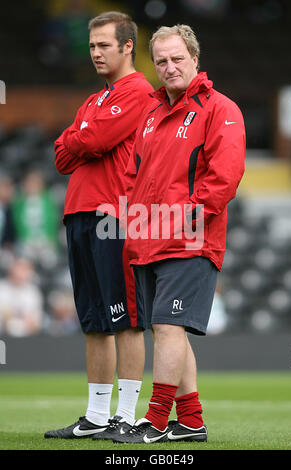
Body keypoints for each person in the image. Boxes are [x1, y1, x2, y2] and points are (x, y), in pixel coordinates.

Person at [113, 24, 246, 443]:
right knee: (167, 329)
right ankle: (190, 422)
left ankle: (153, 422)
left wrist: (179, 222)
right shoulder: (150, 115)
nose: (169, 67)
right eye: (161, 61)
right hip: (147, 241)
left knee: (169, 329)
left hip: (191, 239)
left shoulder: (220, 108)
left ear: (194, 58)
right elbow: (134, 177)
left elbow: (224, 180)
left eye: (177, 59)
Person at [44, 12, 154, 439]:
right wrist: (81, 136)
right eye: (91, 46)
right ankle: (95, 416)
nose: (95, 53)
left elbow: (89, 142)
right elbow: (61, 156)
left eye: (104, 45)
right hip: (79, 213)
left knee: (124, 319)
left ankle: (125, 417)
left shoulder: (139, 90)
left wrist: (81, 137)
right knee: (93, 321)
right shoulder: (93, 101)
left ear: (128, 47)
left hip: (115, 216)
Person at [0, 257, 44, 337]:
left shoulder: (32, 291)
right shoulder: (2, 288)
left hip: (26, 337)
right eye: (20, 268)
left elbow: (36, 320)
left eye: (25, 269)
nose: (21, 273)